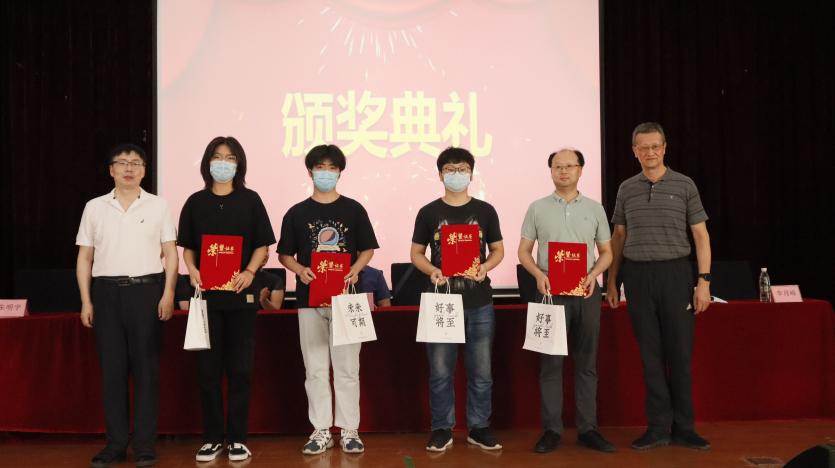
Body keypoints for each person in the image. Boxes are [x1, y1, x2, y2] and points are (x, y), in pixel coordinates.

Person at [605, 122, 712, 451]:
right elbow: (618, 237)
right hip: (638, 276)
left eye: (655, 146)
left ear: (664, 148)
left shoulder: (684, 184)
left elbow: (701, 236)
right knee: (650, 357)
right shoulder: (626, 188)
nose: (649, 152)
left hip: (676, 275)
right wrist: (612, 281)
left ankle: (685, 428)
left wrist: (704, 281)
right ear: (634, 151)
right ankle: (657, 428)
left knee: (679, 355)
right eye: (643, 147)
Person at [76, 143, 178, 468]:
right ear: (111, 170)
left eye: (135, 163)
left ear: (144, 170)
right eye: (122, 163)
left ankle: (145, 445)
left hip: (146, 292)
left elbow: (171, 253)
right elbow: (85, 257)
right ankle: (116, 444)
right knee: (113, 372)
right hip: (106, 294)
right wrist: (86, 300)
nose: (129, 168)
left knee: (147, 372)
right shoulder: (94, 207)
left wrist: (168, 293)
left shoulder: (159, 206)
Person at [177, 136, 276, 462]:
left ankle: (236, 439)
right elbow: (188, 248)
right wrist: (192, 270)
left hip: (240, 297)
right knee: (207, 371)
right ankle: (211, 438)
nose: (223, 163)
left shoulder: (250, 200)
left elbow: (262, 245)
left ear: (239, 164)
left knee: (240, 370)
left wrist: (249, 272)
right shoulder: (195, 202)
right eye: (217, 157)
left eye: (230, 158)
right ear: (208, 163)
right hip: (206, 298)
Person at [278, 144, 379, 455]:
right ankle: (321, 429)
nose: (326, 173)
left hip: (347, 299)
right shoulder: (296, 212)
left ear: (340, 172)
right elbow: (284, 255)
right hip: (309, 298)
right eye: (320, 167)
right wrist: (300, 270)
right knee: (315, 368)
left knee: (348, 367)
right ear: (310, 171)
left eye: (332, 168)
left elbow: (367, 249)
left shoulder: (354, 209)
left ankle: (349, 430)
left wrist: (355, 269)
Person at [518, 148, 615, 454]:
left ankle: (588, 429)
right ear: (551, 171)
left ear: (580, 170)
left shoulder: (595, 208)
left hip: (586, 292)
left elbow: (607, 252)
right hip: (549, 293)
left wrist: (594, 274)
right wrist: (538, 274)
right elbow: (524, 252)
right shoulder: (537, 208)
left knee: (587, 362)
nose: (563, 171)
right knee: (550, 364)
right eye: (557, 167)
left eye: (569, 166)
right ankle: (551, 430)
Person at [410, 146, 504, 452]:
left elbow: (498, 250)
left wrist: (486, 267)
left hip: (479, 302)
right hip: (442, 302)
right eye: (450, 170)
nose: (456, 174)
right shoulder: (428, 212)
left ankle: (479, 427)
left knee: (481, 372)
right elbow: (416, 253)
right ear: (440, 175)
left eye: (462, 169)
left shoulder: (486, 211)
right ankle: (441, 428)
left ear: (471, 174)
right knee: (440, 372)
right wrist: (432, 270)